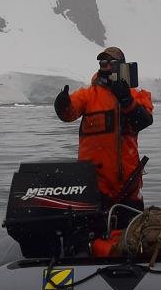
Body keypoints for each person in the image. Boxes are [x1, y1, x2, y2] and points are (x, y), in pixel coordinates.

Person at [54, 46, 154, 210]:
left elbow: (144, 121)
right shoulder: (88, 95)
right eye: (102, 62)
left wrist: (126, 99)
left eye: (111, 62)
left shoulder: (136, 95)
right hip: (94, 183)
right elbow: (67, 114)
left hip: (129, 184)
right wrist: (62, 103)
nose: (105, 65)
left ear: (122, 66)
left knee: (131, 230)